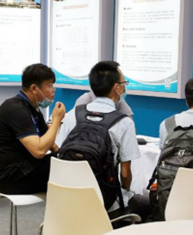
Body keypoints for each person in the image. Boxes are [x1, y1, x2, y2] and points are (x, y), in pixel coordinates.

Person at [58, 61, 149, 220]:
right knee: (148, 205)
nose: (125, 88)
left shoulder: (73, 115)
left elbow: (59, 153)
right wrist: (126, 192)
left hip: (68, 199)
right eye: (124, 84)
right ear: (117, 88)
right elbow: (125, 174)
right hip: (106, 203)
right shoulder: (124, 122)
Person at [0, 64, 65, 194]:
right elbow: (39, 151)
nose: (53, 90)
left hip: (23, 167)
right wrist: (56, 120)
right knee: (66, 172)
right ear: (34, 88)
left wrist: (62, 153)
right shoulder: (16, 109)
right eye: (49, 85)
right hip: (9, 177)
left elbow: (48, 141)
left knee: (69, 163)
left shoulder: (32, 107)